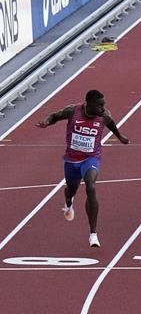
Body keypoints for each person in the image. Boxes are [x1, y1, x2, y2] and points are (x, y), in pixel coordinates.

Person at [35, 90, 130, 247]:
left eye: (103, 105)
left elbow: (111, 123)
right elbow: (55, 116)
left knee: (91, 186)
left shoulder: (104, 116)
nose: (103, 108)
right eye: (99, 105)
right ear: (88, 104)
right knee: (71, 189)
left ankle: (93, 234)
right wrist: (46, 122)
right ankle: (68, 201)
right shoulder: (73, 111)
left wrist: (119, 136)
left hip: (91, 157)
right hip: (72, 159)